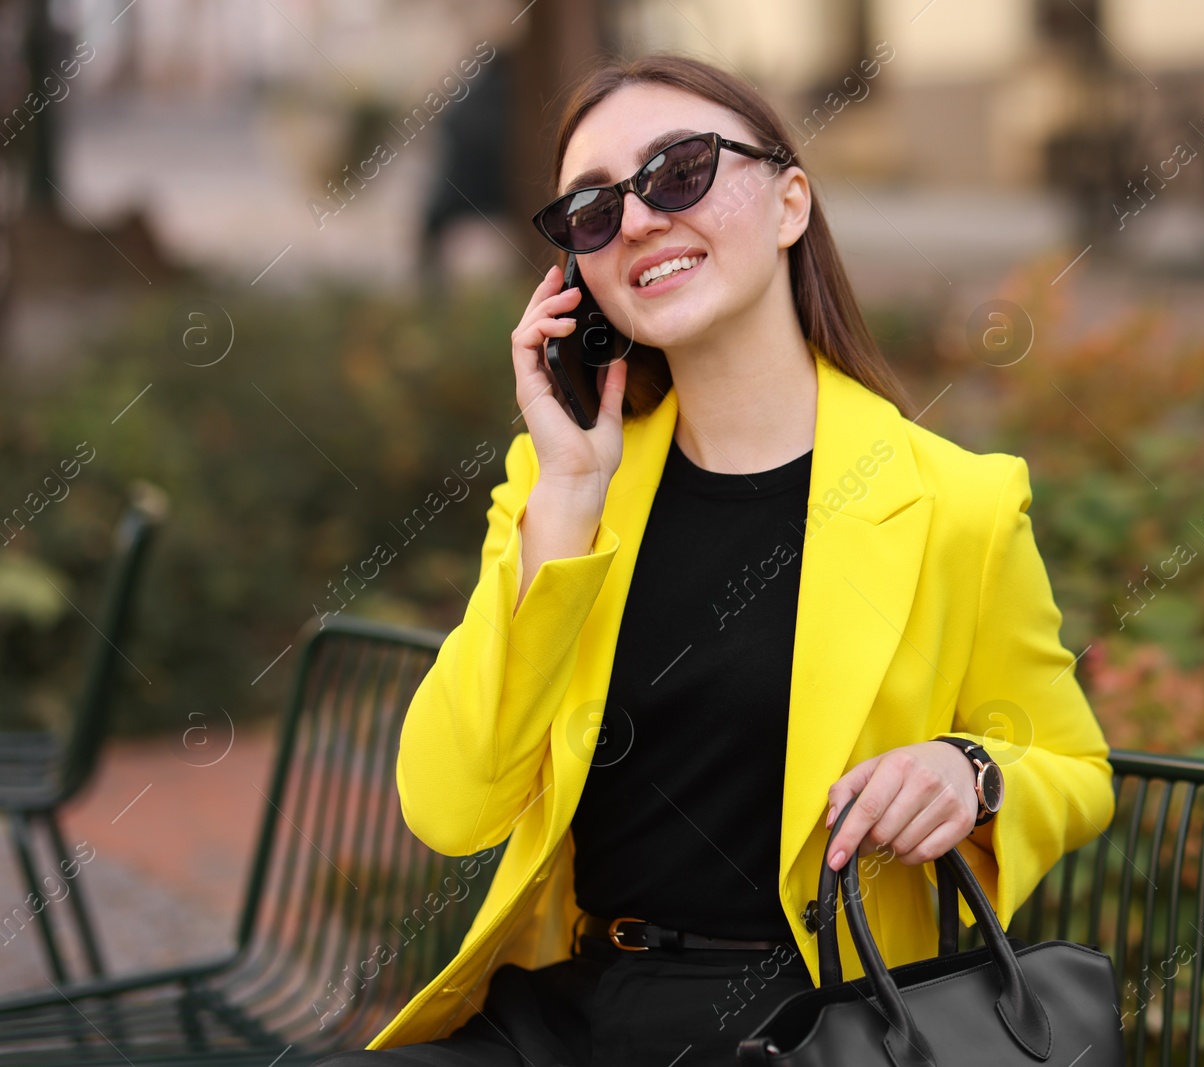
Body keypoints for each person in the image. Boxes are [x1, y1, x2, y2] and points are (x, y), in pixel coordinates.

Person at [313, 50, 1114, 1067]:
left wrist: (972, 770)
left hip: (808, 1021)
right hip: (571, 1009)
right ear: (577, 275)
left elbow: (1074, 767)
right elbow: (449, 802)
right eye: (592, 210)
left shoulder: (955, 502)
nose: (639, 218)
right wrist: (565, 496)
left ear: (789, 204)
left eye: (679, 170)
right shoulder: (559, 484)